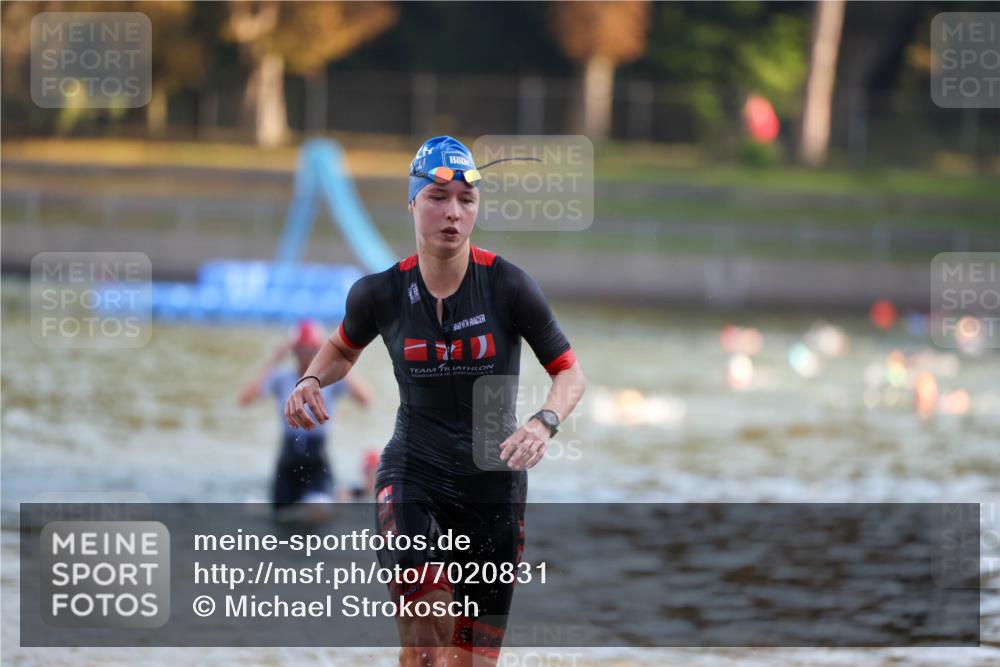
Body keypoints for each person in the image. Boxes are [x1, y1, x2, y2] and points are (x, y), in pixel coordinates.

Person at [284, 136, 587, 666]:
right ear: (412, 203)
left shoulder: (508, 286)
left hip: (493, 486)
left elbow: (570, 374)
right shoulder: (379, 293)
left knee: (472, 661)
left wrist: (543, 423)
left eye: (466, 200)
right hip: (413, 473)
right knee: (428, 631)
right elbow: (341, 349)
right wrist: (310, 379)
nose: (453, 213)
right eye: (438, 197)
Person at [239, 320, 372, 513]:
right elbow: (244, 400)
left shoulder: (331, 378)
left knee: (318, 511)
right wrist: (273, 361)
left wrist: (339, 357)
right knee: (280, 517)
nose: (306, 357)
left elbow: (366, 399)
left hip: (317, 456)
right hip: (288, 455)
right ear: (293, 351)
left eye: (312, 352)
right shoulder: (282, 378)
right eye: (301, 351)